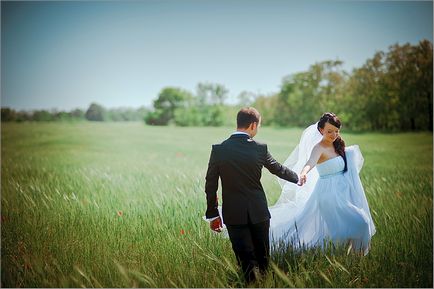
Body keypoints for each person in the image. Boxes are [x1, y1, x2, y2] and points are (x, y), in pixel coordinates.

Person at [204, 107, 300, 283]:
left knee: (246, 262)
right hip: (259, 212)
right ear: (253, 125)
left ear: (238, 123)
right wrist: (298, 178)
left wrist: (212, 215)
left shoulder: (219, 150)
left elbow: (210, 185)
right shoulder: (260, 148)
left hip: (233, 213)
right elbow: (277, 169)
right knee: (263, 259)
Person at [269, 112, 376, 255]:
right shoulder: (318, 148)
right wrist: (304, 173)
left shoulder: (338, 146)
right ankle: (354, 258)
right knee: (361, 222)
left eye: (336, 131)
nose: (333, 135)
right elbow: (310, 162)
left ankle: (355, 261)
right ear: (321, 130)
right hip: (328, 194)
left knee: (357, 225)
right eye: (329, 131)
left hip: (343, 192)